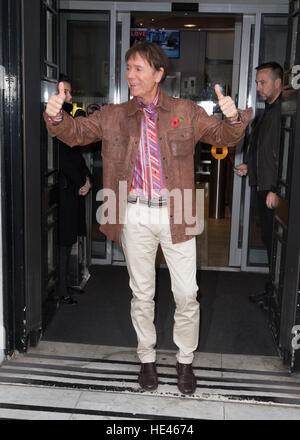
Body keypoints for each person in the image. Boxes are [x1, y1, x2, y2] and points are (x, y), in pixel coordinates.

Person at [44, 42, 252, 394]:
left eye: (138, 68)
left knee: (187, 293)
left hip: (179, 208)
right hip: (134, 212)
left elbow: (224, 136)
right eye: (128, 68)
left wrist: (233, 118)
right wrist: (56, 117)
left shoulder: (186, 111)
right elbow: (77, 133)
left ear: (158, 74)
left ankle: (185, 361)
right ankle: (147, 360)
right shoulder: (113, 114)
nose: (130, 75)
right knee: (142, 294)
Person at [234, 62, 282, 308]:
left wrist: (276, 189)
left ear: (278, 83)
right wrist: (249, 168)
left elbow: (282, 156)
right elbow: (264, 152)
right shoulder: (269, 111)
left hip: (270, 191)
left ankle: (277, 297)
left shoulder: (283, 112)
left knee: (275, 243)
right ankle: (272, 291)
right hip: (262, 184)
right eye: (257, 83)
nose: (259, 87)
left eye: (263, 82)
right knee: (268, 239)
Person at [57, 74, 91, 305]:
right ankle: (60, 288)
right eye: (66, 92)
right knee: (62, 240)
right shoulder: (55, 121)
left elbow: (76, 155)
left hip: (73, 188)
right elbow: (63, 159)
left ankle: (65, 283)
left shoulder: (67, 118)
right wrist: (81, 181)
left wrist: (87, 178)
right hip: (63, 191)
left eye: (70, 92)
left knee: (68, 240)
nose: (70, 96)